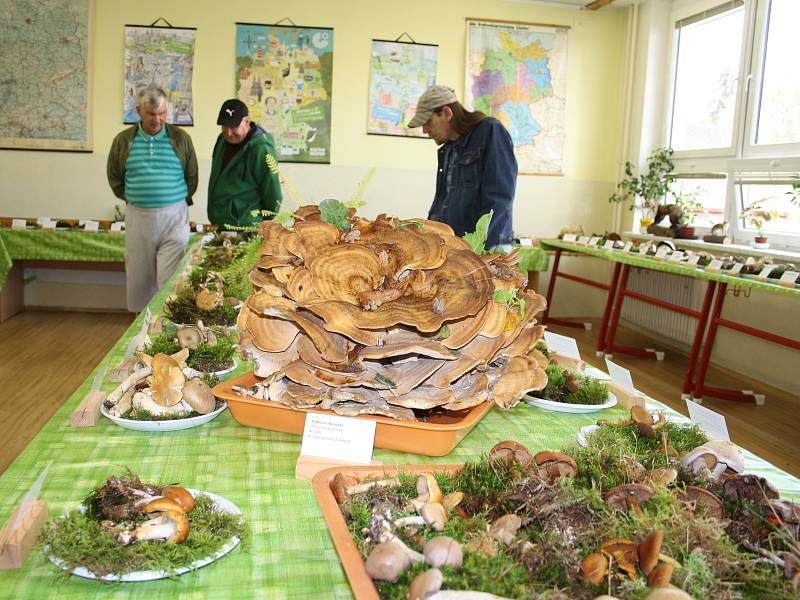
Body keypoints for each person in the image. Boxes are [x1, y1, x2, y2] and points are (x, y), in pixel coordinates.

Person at [107, 87, 198, 313]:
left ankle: (167, 325)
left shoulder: (180, 139)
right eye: (151, 114)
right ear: (139, 111)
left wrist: (172, 198)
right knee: (140, 277)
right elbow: (115, 177)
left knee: (170, 278)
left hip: (174, 216)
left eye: (162, 113)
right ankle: (141, 331)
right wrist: (136, 197)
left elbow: (192, 176)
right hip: (139, 216)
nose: (157, 120)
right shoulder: (123, 141)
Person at [408, 85, 517, 249]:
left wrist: (481, 248)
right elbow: (442, 202)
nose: (424, 130)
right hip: (456, 247)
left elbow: (499, 199)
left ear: (446, 113)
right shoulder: (449, 148)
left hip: (486, 248)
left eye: (427, 122)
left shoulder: (490, 131)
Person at [207, 99, 282, 229]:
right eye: (224, 126)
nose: (229, 133)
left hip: (245, 226)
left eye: (233, 126)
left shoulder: (261, 148)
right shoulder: (222, 140)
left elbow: (273, 194)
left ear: (247, 122)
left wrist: (258, 221)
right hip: (219, 223)